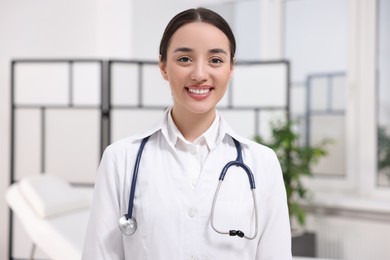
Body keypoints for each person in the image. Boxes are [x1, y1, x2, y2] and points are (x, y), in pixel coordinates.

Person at [82, 7, 292, 260]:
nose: (200, 74)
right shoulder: (121, 159)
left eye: (215, 60)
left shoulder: (262, 162)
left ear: (231, 68)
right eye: (184, 59)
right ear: (163, 66)